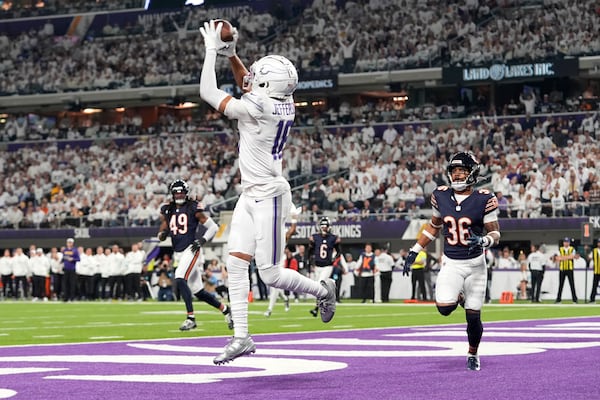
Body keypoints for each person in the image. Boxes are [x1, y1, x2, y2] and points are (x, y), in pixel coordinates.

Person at [199, 20, 337, 365]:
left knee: (270, 273)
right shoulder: (280, 99)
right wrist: (233, 56)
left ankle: (323, 291)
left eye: (259, 74)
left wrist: (211, 52)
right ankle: (242, 337)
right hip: (251, 193)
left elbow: (208, 93)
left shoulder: (259, 107)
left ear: (267, 83)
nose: (252, 75)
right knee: (234, 264)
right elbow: (250, 82)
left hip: (270, 195)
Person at [404, 152, 500, 371]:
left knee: (473, 317)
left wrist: (484, 240)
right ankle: (459, 295)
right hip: (452, 261)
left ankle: (473, 353)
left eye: (462, 172)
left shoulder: (485, 199)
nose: (457, 176)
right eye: (454, 172)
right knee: (445, 308)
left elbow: (495, 234)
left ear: (473, 174)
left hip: (476, 265)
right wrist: (415, 249)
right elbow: (434, 226)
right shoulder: (441, 195)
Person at [157, 179, 232, 331]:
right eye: (176, 192)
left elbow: (213, 226)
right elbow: (162, 231)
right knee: (198, 291)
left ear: (186, 193)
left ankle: (191, 318)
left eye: (181, 192)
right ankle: (226, 310)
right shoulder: (168, 209)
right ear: (172, 194)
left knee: (179, 278)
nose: (179, 195)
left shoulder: (193, 208)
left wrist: (202, 240)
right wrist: (162, 235)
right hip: (178, 252)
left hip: (191, 249)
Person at [307, 217, 345, 316]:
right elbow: (310, 252)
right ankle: (325, 303)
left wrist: (333, 259)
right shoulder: (315, 237)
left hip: (327, 266)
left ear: (329, 227)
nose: (324, 228)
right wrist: (311, 262)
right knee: (318, 287)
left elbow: (339, 252)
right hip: (317, 266)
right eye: (322, 226)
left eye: (326, 226)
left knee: (320, 284)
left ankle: (316, 308)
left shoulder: (333, 238)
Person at [554, 237, 578, 303]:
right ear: (563, 243)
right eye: (565, 242)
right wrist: (567, 257)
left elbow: (572, 256)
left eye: (567, 242)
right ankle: (558, 299)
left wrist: (563, 257)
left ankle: (574, 299)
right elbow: (557, 258)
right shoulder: (560, 249)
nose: (566, 243)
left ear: (569, 242)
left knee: (572, 284)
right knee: (561, 285)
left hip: (570, 268)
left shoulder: (572, 249)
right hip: (562, 269)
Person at [589, 239, 600, 303]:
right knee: (594, 285)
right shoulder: (594, 250)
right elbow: (589, 257)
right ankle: (592, 299)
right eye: (599, 243)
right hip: (596, 270)